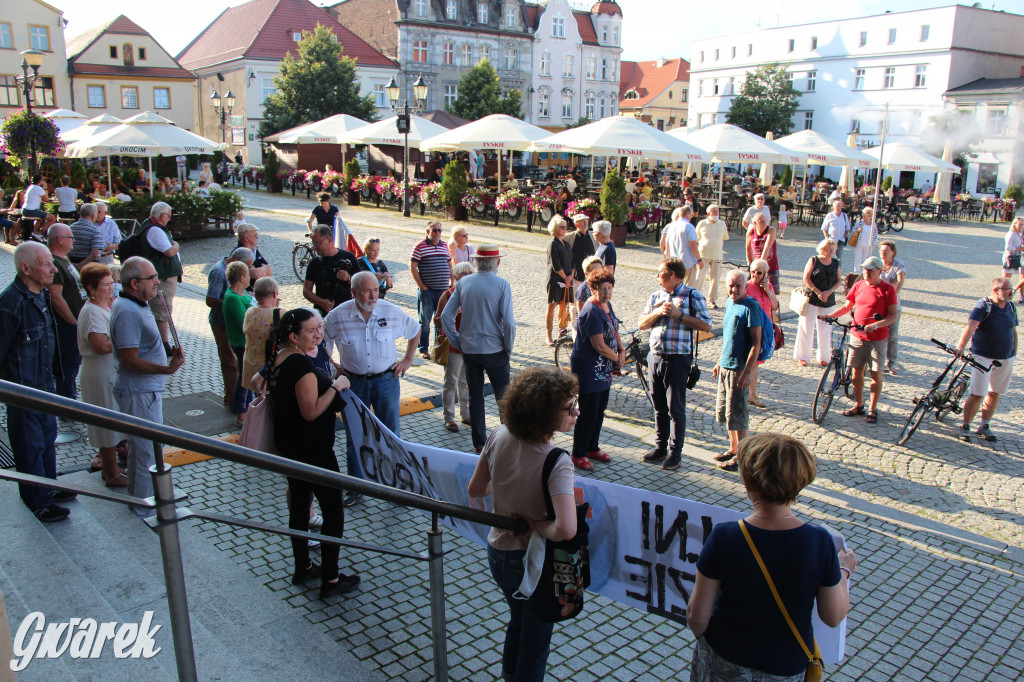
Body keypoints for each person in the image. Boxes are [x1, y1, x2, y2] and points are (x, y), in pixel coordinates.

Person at [688, 433, 857, 680]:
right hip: (785, 665)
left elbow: (696, 616)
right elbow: (833, 616)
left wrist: (708, 648)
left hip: (725, 658)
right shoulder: (819, 542)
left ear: (748, 483)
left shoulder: (725, 537)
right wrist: (844, 571)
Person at [467, 366, 579, 682]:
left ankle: (508, 675)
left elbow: (476, 490)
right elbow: (565, 529)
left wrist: (505, 484)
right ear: (544, 414)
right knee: (536, 638)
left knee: (518, 620)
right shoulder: (557, 462)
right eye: (570, 408)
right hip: (532, 561)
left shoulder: (498, 434)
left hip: (497, 552)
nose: (577, 411)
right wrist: (533, 524)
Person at [267, 308, 359, 599]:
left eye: (320, 327)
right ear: (294, 337)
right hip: (312, 449)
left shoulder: (278, 358)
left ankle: (303, 566)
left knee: (299, 505)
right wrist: (336, 386)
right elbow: (311, 412)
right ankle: (331, 580)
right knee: (333, 510)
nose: (319, 333)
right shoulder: (301, 367)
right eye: (311, 330)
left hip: (290, 446)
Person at [324, 271, 419, 502]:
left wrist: (407, 360)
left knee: (391, 434)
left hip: (386, 381)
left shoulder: (390, 311)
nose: (373, 295)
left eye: (376, 290)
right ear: (354, 292)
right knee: (355, 435)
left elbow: (415, 330)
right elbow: (320, 341)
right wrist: (334, 366)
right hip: (352, 384)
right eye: (367, 291)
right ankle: (356, 489)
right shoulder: (338, 316)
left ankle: (397, 487)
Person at [0, 242, 74, 522]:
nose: (54, 269)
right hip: (24, 392)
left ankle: (50, 488)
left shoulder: (40, 295)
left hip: (45, 387)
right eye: (46, 264)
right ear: (25, 268)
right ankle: (38, 501)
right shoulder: (10, 305)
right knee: (29, 446)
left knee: (46, 440)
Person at [110, 257, 185, 517]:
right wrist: (166, 369)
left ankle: (139, 499)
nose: (157, 282)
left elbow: (143, 345)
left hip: (143, 390)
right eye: (152, 278)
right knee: (148, 451)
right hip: (138, 391)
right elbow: (130, 359)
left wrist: (165, 350)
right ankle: (144, 508)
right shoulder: (128, 311)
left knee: (142, 449)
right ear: (134, 283)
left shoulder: (137, 305)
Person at [638, 258, 713, 470]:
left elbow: (706, 325)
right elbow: (641, 324)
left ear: (672, 275)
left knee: (675, 408)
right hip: (655, 357)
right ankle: (660, 447)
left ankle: (675, 452)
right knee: (659, 406)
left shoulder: (692, 295)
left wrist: (680, 316)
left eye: (660, 272)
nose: (657, 276)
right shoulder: (656, 296)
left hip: (678, 360)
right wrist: (658, 312)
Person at [441, 245, 516, 453]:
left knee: (475, 396)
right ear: (497, 263)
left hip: (470, 349)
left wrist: (456, 341)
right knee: (504, 396)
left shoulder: (464, 282)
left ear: (476, 262)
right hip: (494, 350)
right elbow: (509, 323)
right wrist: (508, 346)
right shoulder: (502, 284)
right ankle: (506, 439)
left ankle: (480, 442)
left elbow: (446, 316)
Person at [824, 256, 898, 424]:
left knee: (874, 373)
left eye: (870, 270)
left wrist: (877, 325)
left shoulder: (888, 289)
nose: (866, 272)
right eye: (865, 269)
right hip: (857, 335)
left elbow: (893, 316)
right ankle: (859, 404)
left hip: (877, 338)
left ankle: (873, 408)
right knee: (857, 371)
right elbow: (846, 307)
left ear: (879, 271)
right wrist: (829, 316)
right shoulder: (858, 286)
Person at [76, 263, 126, 487]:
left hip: (105, 370)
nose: (111, 287)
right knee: (105, 423)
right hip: (99, 372)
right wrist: (121, 340)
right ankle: (112, 472)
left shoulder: (102, 307)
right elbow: (100, 345)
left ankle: (110, 468)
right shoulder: (93, 311)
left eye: (111, 283)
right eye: (105, 284)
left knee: (110, 420)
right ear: (91, 288)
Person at [710, 269, 764, 471]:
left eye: (738, 286)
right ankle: (733, 449)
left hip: (740, 369)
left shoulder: (751, 307)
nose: (734, 289)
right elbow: (729, 338)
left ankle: (743, 456)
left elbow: (756, 343)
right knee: (727, 412)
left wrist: (748, 371)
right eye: (731, 286)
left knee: (739, 414)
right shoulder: (730, 304)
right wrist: (719, 361)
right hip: (726, 366)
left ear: (745, 286)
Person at [570, 267, 622, 470]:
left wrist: (622, 347)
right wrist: (617, 358)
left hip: (603, 370)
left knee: (599, 410)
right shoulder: (591, 310)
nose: (607, 293)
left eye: (609, 288)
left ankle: (592, 446)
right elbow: (598, 345)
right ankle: (579, 453)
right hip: (589, 369)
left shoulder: (606, 305)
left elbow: (614, 327)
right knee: (588, 411)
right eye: (602, 289)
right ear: (592, 289)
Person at [956, 277, 1018, 443]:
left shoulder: (1011, 307)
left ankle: (985, 425)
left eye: (1011, 289)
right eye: (1006, 289)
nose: (1010, 292)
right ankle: (966, 425)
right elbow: (971, 326)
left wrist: (1014, 353)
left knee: (995, 392)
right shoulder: (984, 306)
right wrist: (961, 347)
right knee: (978, 393)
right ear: (995, 291)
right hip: (983, 356)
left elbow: (1013, 331)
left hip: (1005, 358)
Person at [206, 247, 255, 408]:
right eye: (248, 268)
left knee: (239, 367)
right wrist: (233, 304)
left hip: (233, 326)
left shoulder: (236, 293)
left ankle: (239, 401)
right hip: (221, 323)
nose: (251, 271)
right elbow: (210, 300)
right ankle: (234, 400)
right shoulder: (218, 273)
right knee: (230, 363)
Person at [434, 262, 475, 433]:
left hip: (470, 345)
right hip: (453, 344)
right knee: (451, 382)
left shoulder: (473, 294)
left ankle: (465, 414)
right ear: (456, 276)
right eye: (462, 273)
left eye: (469, 272)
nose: (466, 275)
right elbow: (436, 319)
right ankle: (449, 417)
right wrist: (451, 314)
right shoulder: (448, 294)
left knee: (466, 382)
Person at [46, 224, 84, 402]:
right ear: (60, 240)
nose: (73, 240)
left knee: (73, 363)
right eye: (70, 237)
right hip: (66, 325)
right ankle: (66, 402)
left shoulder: (64, 259)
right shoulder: (54, 262)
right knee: (67, 365)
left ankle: (69, 397)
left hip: (75, 320)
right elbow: (56, 298)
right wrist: (73, 323)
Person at [137, 202, 182, 349]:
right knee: (162, 310)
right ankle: (163, 344)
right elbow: (169, 251)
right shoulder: (154, 230)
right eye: (168, 216)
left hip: (163, 275)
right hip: (162, 277)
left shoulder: (151, 226)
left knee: (163, 309)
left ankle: (162, 342)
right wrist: (176, 245)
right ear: (163, 215)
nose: (169, 219)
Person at [411, 221, 454, 359]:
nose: (437, 233)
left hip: (443, 290)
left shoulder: (444, 245)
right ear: (427, 231)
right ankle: (423, 349)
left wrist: (452, 281)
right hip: (427, 292)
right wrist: (421, 285)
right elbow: (412, 266)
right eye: (434, 230)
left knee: (440, 320)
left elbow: (449, 264)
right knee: (424, 321)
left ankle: (438, 348)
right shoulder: (420, 246)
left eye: (439, 230)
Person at [794, 239, 842, 367]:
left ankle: (824, 356)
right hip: (812, 298)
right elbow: (806, 278)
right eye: (829, 248)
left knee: (825, 329)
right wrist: (817, 291)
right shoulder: (814, 260)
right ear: (822, 249)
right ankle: (803, 356)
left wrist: (829, 292)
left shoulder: (836, 263)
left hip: (828, 299)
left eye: (833, 248)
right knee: (806, 327)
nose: (831, 251)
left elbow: (839, 280)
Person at [223, 261, 255, 426]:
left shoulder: (242, 294)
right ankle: (240, 413)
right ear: (242, 277)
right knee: (245, 378)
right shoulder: (233, 299)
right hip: (241, 343)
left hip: (247, 343)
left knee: (248, 377)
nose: (250, 277)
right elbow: (245, 323)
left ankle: (246, 410)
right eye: (248, 274)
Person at [303, 225, 359, 316]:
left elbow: (361, 285)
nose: (314, 247)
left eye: (317, 243)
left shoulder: (349, 257)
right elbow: (306, 290)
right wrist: (321, 302)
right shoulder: (314, 263)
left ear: (329, 240)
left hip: (346, 312)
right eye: (313, 243)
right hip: (323, 314)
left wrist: (348, 278)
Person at [745, 259, 778, 409]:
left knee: (755, 363)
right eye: (752, 272)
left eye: (759, 273)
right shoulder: (746, 287)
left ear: (765, 273)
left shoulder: (768, 286)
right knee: (748, 361)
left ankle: (752, 394)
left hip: (763, 328)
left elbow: (775, 306)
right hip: (750, 328)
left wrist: (767, 291)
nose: (755, 275)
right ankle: (745, 393)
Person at [241, 276, 281, 395]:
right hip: (269, 368)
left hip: (251, 365)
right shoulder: (280, 314)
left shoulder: (250, 312)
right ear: (274, 294)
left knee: (257, 397)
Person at [544, 216, 573, 345]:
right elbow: (556, 264)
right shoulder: (552, 244)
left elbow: (573, 262)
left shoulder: (566, 244)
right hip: (556, 279)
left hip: (567, 279)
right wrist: (565, 277)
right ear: (556, 229)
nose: (565, 229)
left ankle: (562, 332)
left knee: (564, 305)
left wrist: (570, 276)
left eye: (566, 226)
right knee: (552, 305)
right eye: (562, 227)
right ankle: (548, 335)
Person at [878, 240, 906, 375]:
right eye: (881, 250)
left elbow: (900, 280)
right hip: (878, 303)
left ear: (893, 253)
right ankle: (879, 361)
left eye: (886, 251)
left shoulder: (897, 265)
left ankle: (892, 362)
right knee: (878, 334)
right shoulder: (877, 264)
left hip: (893, 304)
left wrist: (894, 294)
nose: (883, 253)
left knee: (892, 335)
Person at [694, 204, 729, 309]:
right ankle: (695, 298)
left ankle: (712, 299)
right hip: (703, 254)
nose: (716, 213)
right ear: (708, 213)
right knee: (699, 276)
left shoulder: (722, 224)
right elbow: (696, 238)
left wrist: (717, 246)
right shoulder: (702, 223)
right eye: (714, 211)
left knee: (715, 278)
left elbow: (723, 238)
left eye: (717, 211)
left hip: (717, 255)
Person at [661, 205, 701, 286]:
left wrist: (667, 259)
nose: (691, 216)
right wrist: (699, 260)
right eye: (691, 214)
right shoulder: (689, 226)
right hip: (687, 261)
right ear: (687, 214)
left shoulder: (671, 226)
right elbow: (693, 245)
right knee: (689, 285)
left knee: (675, 285)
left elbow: (667, 244)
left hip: (674, 261)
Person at [745, 212, 780, 295]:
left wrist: (761, 266)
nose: (764, 223)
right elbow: (748, 249)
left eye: (765, 221)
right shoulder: (751, 232)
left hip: (770, 266)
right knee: (753, 290)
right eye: (761, 221)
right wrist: (750, 265)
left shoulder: (771, 230)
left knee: (770, 292)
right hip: (756, 268)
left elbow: (767, 248)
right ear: (755, 223)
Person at [67, 203, 105, 269]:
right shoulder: (95, 231)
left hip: (71, 262)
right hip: (89, 266)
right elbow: (94, 254)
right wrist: (80, 265)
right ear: (93, 216)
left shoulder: (70, 228)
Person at [565, 214, 596, 288]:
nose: (585, 224)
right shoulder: (569, 238)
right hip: (575, 276)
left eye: (586, 221)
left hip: (591, 275)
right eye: (582, 222)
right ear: (576, 224)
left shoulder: (594, 237)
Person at [821, 199, 850, 265]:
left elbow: (847, 228)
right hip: (831, 240)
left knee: (838, 258)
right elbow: (824, 228)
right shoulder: (829, 215)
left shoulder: (844, 216)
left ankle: (837, 272)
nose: (838, 208)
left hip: (840, 240)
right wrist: (827, 238)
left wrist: (845, 235)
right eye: (837, 206)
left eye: (840, 206)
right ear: (833, 208)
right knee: (828, 256)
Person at [849, 206, 878, 273]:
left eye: (865, 215)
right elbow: (853, 230)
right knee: (858, 260)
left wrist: (873, 244)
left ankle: (865, 273)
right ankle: (856, 273)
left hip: (868, 245)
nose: (863, 216)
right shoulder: (859, 223)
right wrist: (858, 230)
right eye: (863, 214)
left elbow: (875, 235)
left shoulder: (873, 224)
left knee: (867, 260)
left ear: (870, 216)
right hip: (859, 244)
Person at [94, 201, 121, 266]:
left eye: (99, 212)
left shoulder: (111, 224)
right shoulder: (89, 223)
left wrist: (113, 246)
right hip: (92, 258)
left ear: (105, 213)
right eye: (95, 212)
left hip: (107, 257)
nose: (96, 214)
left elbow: (119, 242)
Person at [1002, 217, 1024, 296]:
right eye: (1020, 224)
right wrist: (1020, 248)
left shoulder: (1018, 233)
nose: (1021, 226)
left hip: (1015, 256)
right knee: (1005, 279)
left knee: (1007, 278)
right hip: (1009, 257)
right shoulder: (1011, 234)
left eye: (1022, 224)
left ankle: (1005, 294)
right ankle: (1000, 294)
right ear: (1014, 224)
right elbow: (1008, 247)